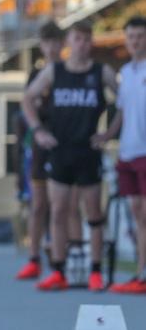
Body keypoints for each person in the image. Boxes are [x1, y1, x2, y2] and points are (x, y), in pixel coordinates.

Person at [22, 20, 117, 291]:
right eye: (78, 39)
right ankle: (58, 270)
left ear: (91, 43)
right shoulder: (55, 71)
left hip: (88, 150)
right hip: (60, 150)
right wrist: (38, 130)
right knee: (59, 210)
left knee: (93, 213)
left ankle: (95, 271)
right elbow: (27, 99)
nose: (83, 45)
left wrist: (109, 133)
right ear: (69, 42)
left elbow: (126, 101)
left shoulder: (102, 72)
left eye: (88, 40)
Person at [95, 15, 146, 294]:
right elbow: (122, 113)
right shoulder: (125, 73)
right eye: (131, 37)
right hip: (127, 151)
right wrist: (106, 135)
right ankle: (141, 273)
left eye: (140, 36)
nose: (135, 41)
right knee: (137, 213)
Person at [15, 20, 65, 280]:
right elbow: (27, 108)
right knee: (38, 204)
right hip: (40, 146)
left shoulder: (69, 72)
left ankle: (61, 257)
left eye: (57, 42)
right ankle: (33, 257)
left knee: (62, 206)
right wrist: (37, 131)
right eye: (47, 43)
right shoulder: (36, 76)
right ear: (42, 46)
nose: (52, 47)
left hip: (65, 145)